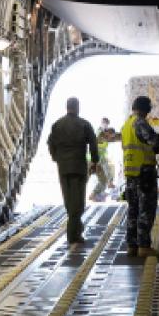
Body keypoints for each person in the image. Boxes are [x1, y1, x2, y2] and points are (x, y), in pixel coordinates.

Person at [44, 97, 99, 247]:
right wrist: (95, 161)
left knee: (68, 200)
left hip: (63, 167)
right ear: (77, 107)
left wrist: (57, 158)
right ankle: (73, 234)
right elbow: (93, 144)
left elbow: (50, 144)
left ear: (67, 107)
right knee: (78, 202)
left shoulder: (57, 125)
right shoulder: (84, 124)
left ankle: (74, 231)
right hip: (79, 167)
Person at [120, 96, 159, 256]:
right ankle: (144, 246)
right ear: (145, 109)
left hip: (130, 173)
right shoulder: (140, 122)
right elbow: (152, 140)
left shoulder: (126, 125)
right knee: (146, 209)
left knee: (133, 210)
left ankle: (132, 245)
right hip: (144, 173)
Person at [91, 116, 120, 201]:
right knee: (107, 168)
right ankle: (110, 183)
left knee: (103, 179)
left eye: (107, 124)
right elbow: (105, 138)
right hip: (97, 156)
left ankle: (94, 194)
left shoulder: (104, 133)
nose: (105, 125)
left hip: (99, 156)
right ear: (101, 123)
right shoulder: (100, 132)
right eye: (104, 123)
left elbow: (112, 138)